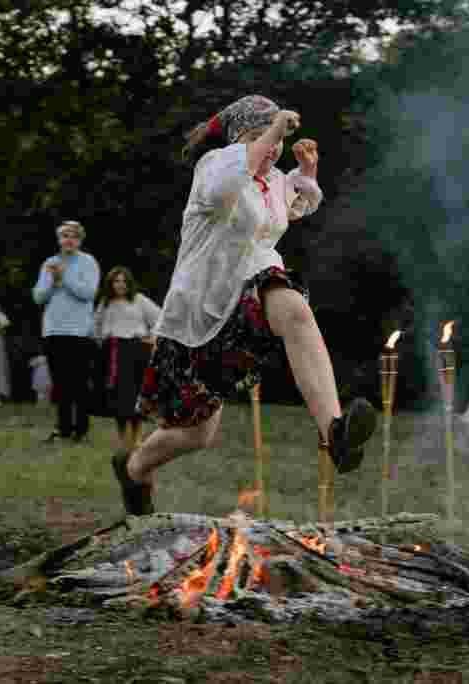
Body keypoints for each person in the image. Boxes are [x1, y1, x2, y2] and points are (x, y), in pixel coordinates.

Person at [111, 95, 378, 516]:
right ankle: (135, 467)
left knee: (295, 310)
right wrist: (274, 131)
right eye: (257, 136)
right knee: (197, 434)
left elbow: (290, 208)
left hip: (249, 290)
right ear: (238, 139)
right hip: (200, 310)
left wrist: (306, 174)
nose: (270, 147)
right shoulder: (215, 166)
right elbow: (226, 190)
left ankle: (335, 433)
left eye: (272, 139)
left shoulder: (270, 180)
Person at [31, 220, 101, 443]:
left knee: (79, 382)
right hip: (53, 330)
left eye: (73, 236)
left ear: (79, 240)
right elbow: (38, 296)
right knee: (59, 383)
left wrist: (64, 279)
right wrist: (53, 281)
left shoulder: (88, 262)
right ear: (59, 239)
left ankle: (80, 430)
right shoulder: (50, 263)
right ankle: (62, 429)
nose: (68, 240)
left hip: (79, 331)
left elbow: (89, 293)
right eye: (64, 236)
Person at [93, 266, 161, 451]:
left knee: (136, 395)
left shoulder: (139, 300)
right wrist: (101, 342)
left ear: (129, 283)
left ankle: (138, 438)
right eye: (116, 281)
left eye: (124, 281)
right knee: (119, 397)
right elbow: (96, 326)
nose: (120, 285)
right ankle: (123, 438)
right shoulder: (106, 303)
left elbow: (160, 318)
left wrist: (151, 338)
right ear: (110, 284)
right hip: (113, 352)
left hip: (136, 350)